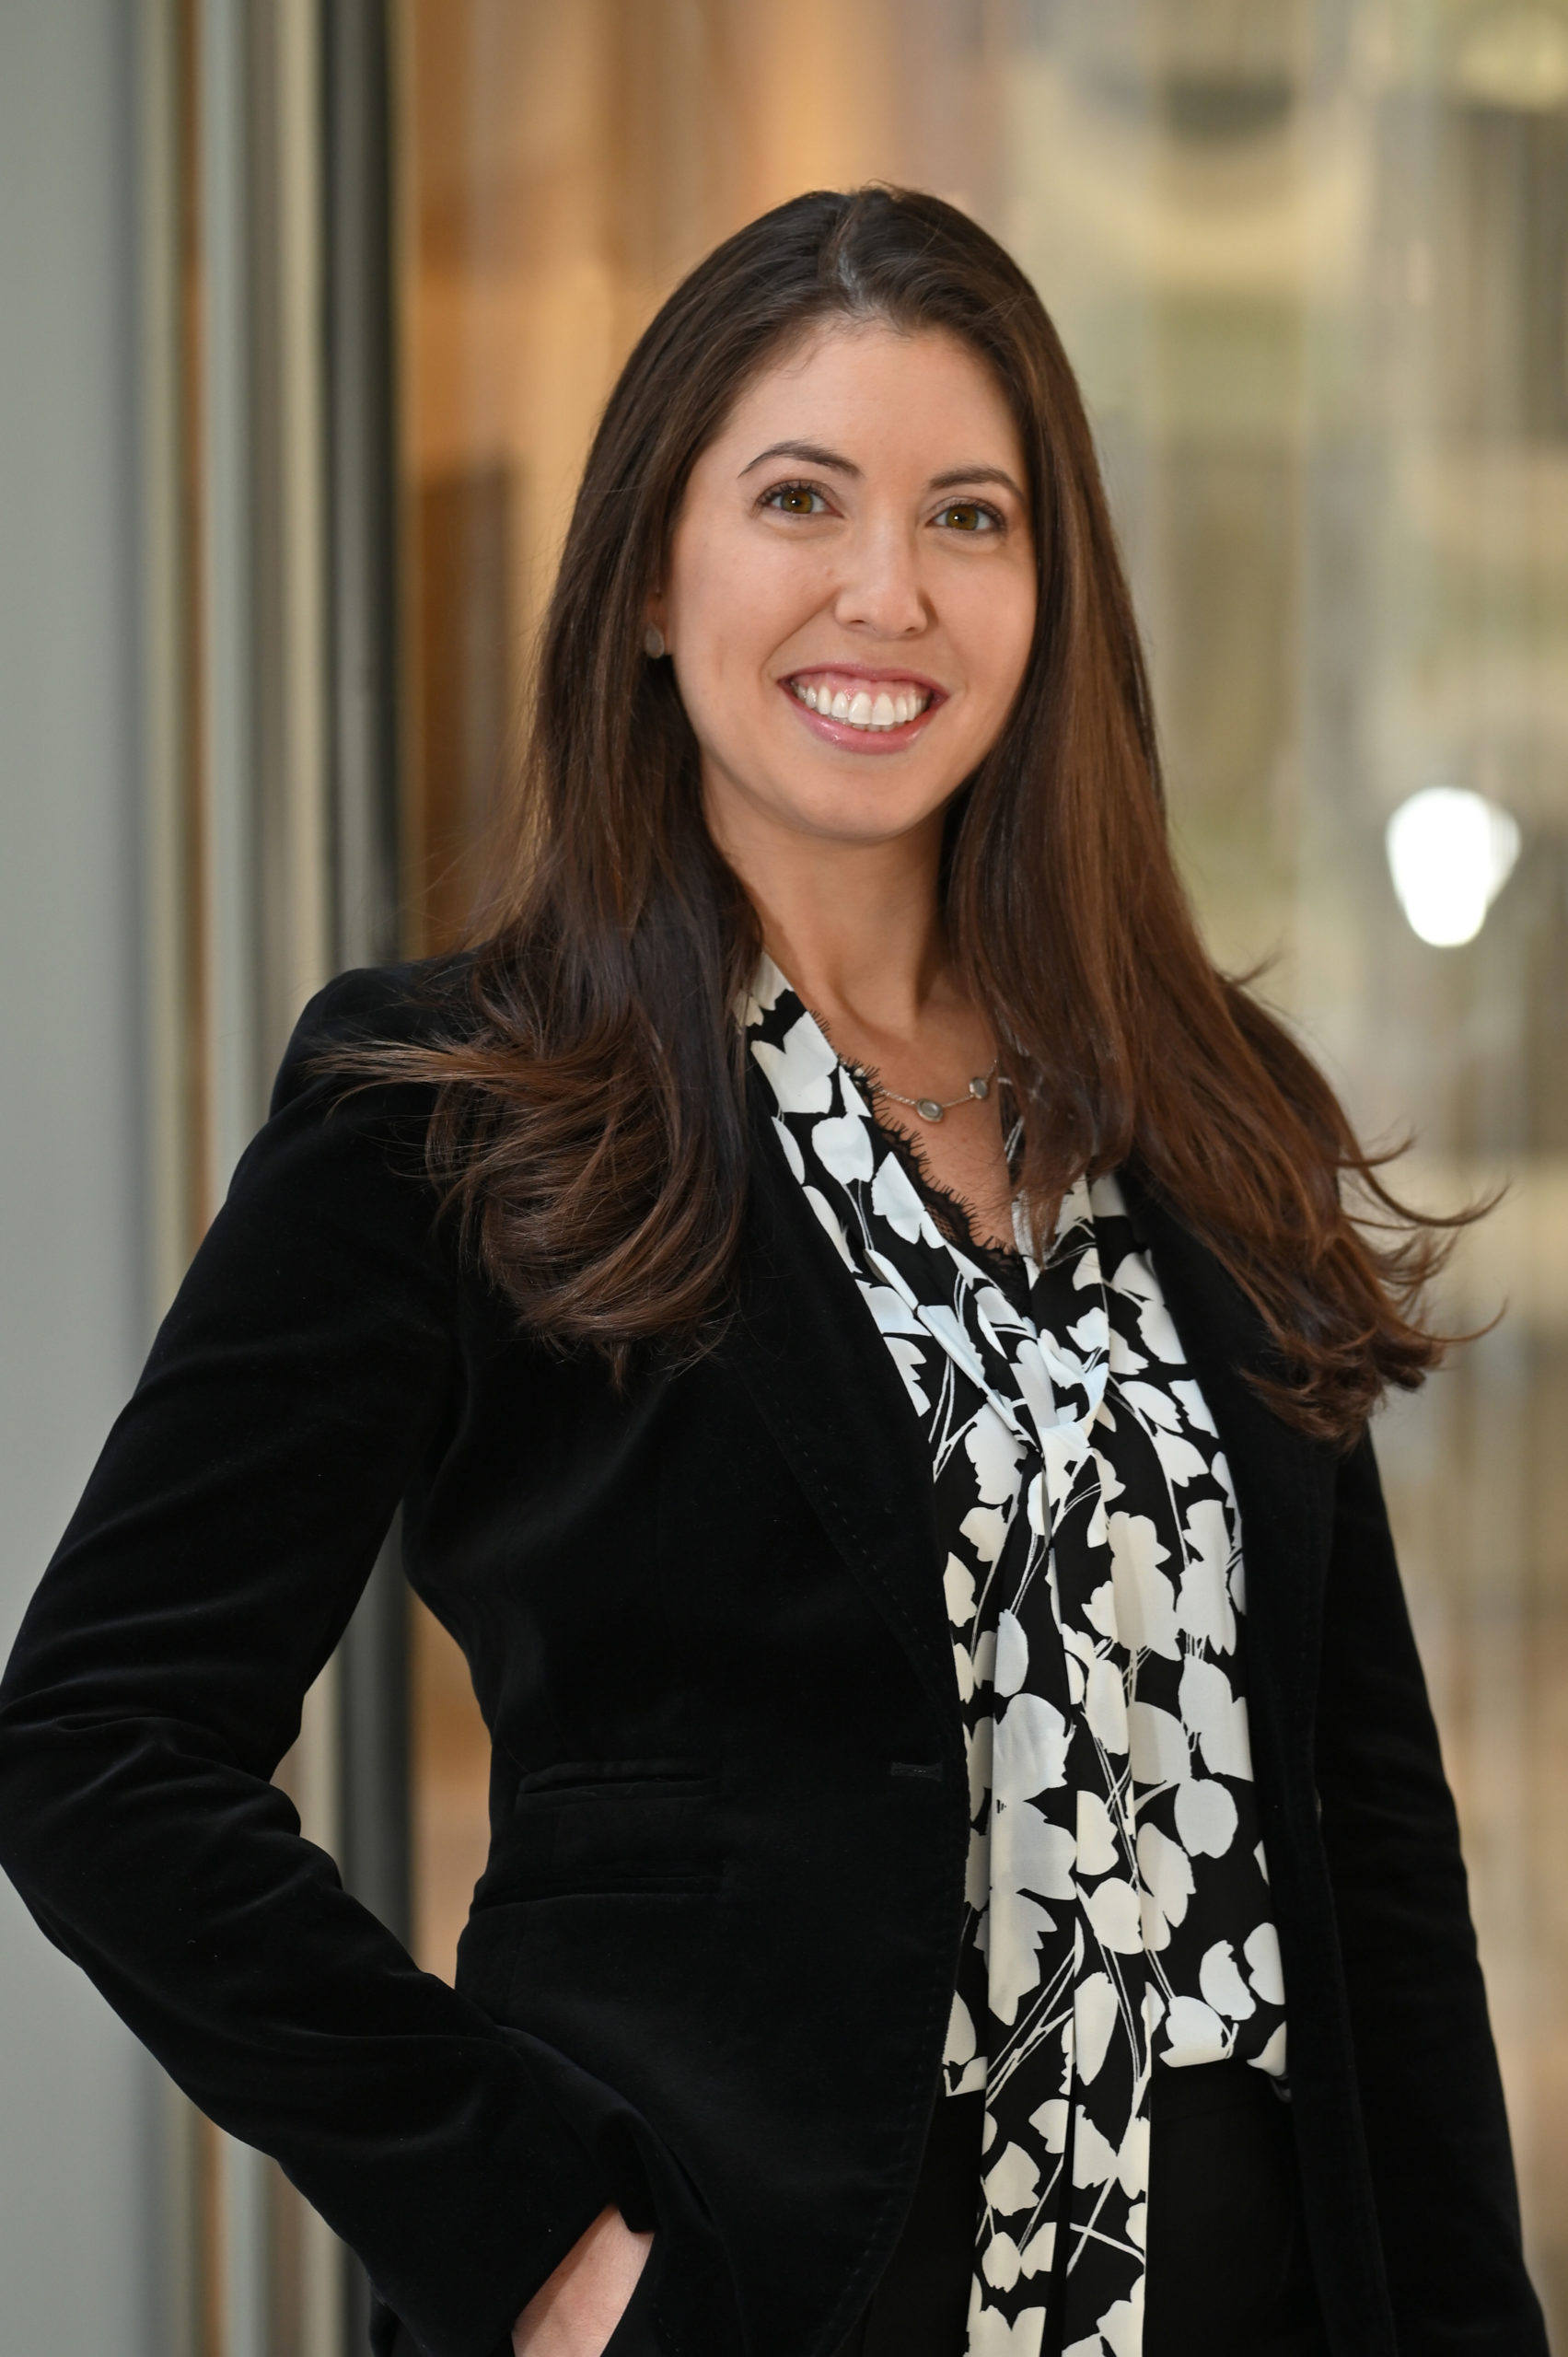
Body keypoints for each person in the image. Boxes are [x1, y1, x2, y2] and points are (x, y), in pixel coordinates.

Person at [0, 186, 1546, 2357]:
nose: (885, 592)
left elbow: (1368, 1833)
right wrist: (536, 2233)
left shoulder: (1202, 1100)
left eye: (971, 516)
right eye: (799, 498)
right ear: (653, 572)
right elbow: (97, 1745)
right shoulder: (461, 1101)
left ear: (1048, 589)